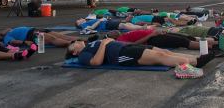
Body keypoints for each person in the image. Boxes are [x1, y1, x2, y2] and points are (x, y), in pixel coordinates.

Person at [65, 38, 215, 74]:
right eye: (74, 44)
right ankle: (196, 62)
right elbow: (96, 62)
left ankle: (196, 58)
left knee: (165, 52)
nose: (77, 41)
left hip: (127, 47)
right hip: (121, 55)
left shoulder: (90, 43)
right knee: (159, 56)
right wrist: (104, 44)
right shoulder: (82, 55)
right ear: (74, 51)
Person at [106, 29, 217, 50]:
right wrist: (151, 35)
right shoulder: (120, 40)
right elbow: (135, 44)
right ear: (112, 37)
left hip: (157, 34)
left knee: (186, 37)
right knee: (182, 42)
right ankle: (213, 47)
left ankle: (215, 42)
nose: (111, 31)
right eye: (109, 33)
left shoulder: (124, 34)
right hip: (153, 40)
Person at [0, 27, 79, 48]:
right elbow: (13, 42)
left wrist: (24, 43)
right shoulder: (7, 36)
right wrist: (24, 43)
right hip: (34, 31)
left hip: (32, 33)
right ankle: (80, 41)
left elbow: (13, 42)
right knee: (60, 37)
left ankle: (76, 43)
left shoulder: (6, 37)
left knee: (54, 39)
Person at [75, 18, 149, 32]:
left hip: (107, 22)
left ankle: (142, 27)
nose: (81, 18)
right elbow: (91, 28)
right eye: (79, 19)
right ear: (79, 23)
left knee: (127, 23)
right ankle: (141, 28)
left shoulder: (86, 22)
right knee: (123, 25)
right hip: (106, 25)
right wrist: (100, 20)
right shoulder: (83, 25)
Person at [127, 14, 195, 27]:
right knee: (171, 20)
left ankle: (187, 22)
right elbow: (140, 23)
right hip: (153, 19)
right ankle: (187, 23)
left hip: (155, 18)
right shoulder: (133, 20)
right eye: (128, 17)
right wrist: (152, 23)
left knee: (172, 20)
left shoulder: (135, 17)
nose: (129, 16)